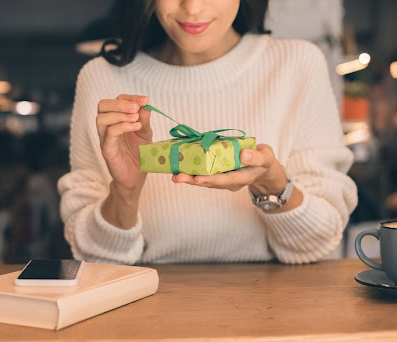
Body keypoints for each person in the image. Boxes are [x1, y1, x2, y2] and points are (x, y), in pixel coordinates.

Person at [57, 0, 358, 265]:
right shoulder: (101, 79)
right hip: (147, 311)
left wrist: (270, 182)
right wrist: (125, 191)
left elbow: (318, 242)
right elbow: (96, 257)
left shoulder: (298, 65)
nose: (193, 7)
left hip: (272, 310)